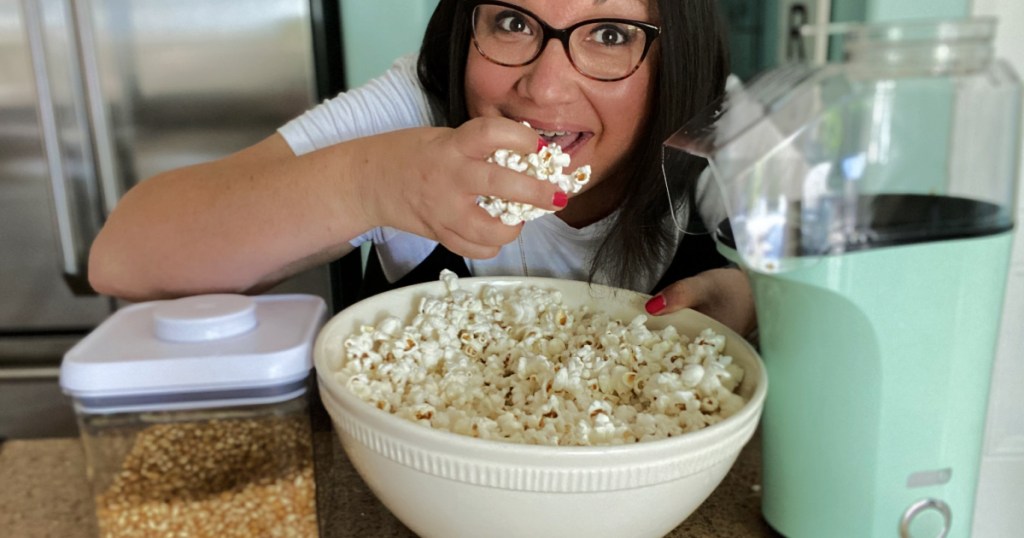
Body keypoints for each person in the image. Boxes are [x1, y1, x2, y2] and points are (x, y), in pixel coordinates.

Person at [88, 0, 756, 338]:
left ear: (679, 58)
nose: (545, 88)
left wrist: (759, 307)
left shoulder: (720, 130)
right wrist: (369, 183)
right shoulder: (416, 106)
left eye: (610, 34)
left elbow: (853, 311)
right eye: (512, 22)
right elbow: (124, 257)